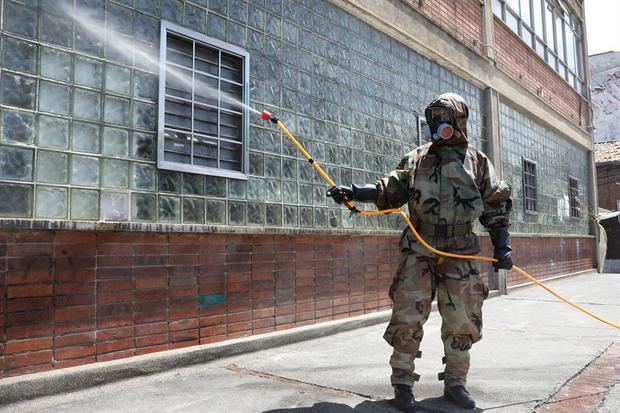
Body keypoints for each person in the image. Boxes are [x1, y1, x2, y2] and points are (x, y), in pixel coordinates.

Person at [327, 93, 513, 411]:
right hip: (419, 247)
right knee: (407, 317)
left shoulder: (477, 161)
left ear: (458, 121)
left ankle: (456, 384)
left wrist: (502, 245)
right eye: (433, 119)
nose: (436, 124)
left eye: (443, 118)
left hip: (461, 250)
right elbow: (391, 188)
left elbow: (495, 204)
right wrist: (356, 192)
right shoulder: (416, 158)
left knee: (462, 320)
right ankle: (402, 385)